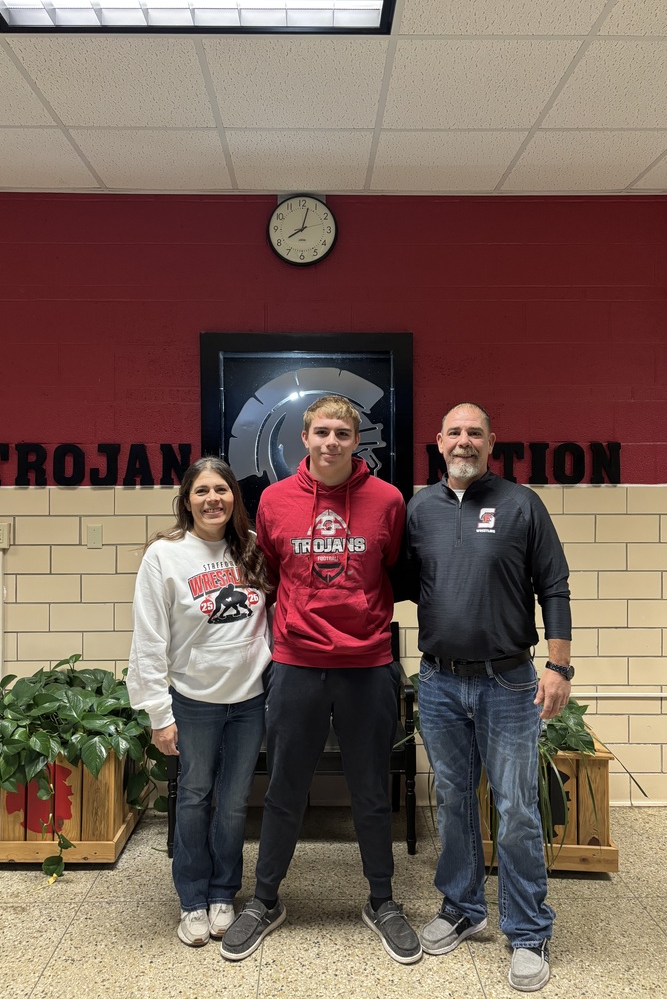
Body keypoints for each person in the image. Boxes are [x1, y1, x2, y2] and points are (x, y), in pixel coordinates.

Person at [220, 394, 421, 965]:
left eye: (343, 434)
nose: (332, 442)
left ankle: (382, 901)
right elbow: (269, 574)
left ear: (356, 442)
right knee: (284, 788)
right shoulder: (274, 500)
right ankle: (265, 900)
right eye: (322, 432)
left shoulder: (388, 500)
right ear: (304, 437)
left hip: (368, 665)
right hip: (297, 663)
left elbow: (394, 570)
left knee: (371, 791)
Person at [405, 402, 573, 993]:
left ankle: (528, 930)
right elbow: (403, 582)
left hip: (508, 681)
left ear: (491, 442)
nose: (464, 441)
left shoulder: (521, 503)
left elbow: (554, 584)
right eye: (455, 432)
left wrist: (558, 665)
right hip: (439, 681)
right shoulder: (419, 508)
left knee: (517, 806)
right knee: (452, 799)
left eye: (474, 432)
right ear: (438, 441)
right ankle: (462, 908)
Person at [127, 457, 272, 948]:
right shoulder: (164, 555)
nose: (213, 499)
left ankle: (222, 893)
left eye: (222, 490)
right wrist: (158, 713)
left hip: (249, 701)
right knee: (193, 797)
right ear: (186, 501)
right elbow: (149, 638)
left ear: (234, 498)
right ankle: (191, 899)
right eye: (202, 491)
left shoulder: (251, 548)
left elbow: (271, 618)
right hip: (193, 701)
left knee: (233, 803)